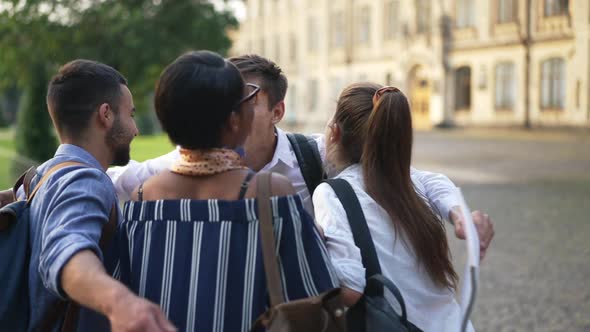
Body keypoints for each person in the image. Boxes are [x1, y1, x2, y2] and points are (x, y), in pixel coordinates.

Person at [105, 54, 494, 256]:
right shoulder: (180, 167)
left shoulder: (317, 154)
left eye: (243, 98)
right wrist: (59, 172)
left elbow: (412, 176)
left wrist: (457, 213)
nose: (229, 109)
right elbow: (114, 180)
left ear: (277, 112)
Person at [116, 51, 338, 331]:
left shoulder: (140, 201)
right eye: (246, 103)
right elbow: (316, 293)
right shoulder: (271, 193)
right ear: (235, 121)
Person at [25, 60, 174, 332]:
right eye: (131, 114)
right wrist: (120, 302)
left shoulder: (43, 175)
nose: (136, 129)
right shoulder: (86, 180)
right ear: (105, 114)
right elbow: (66, 247)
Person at [313, 83, 475, 331]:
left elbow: (351, 288)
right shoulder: (410, 181)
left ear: (334, 133)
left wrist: (310, 244)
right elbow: (436, 181)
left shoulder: (331, 193)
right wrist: (458, 211)